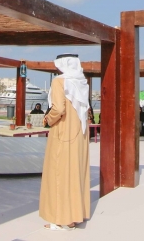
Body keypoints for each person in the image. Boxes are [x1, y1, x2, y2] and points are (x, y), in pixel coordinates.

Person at [40, 54, 91, 230]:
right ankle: (74, 216)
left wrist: (48, 119)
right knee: (75, 172)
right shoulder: (81, 82)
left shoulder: (59, 82)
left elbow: (59, 108)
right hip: (80, 134)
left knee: (58, 173)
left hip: (63, 132)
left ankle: (59, 218)